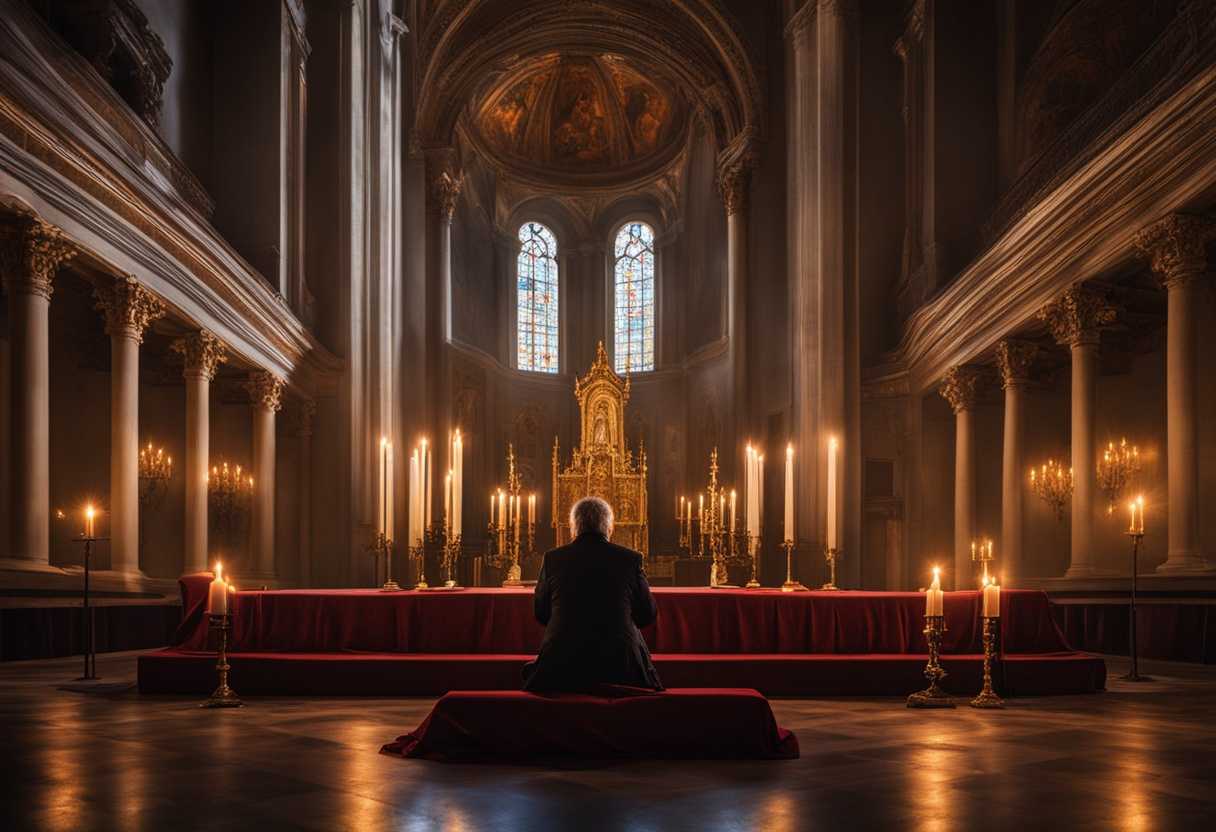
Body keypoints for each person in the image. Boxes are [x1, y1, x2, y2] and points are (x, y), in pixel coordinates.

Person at [522, 496, 663, 692]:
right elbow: (647, 615)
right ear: (609, 527)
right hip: (621, 663)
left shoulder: (553, 559)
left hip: (561, 663)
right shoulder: (630, 560)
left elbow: (541, 613)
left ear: (573, 528)